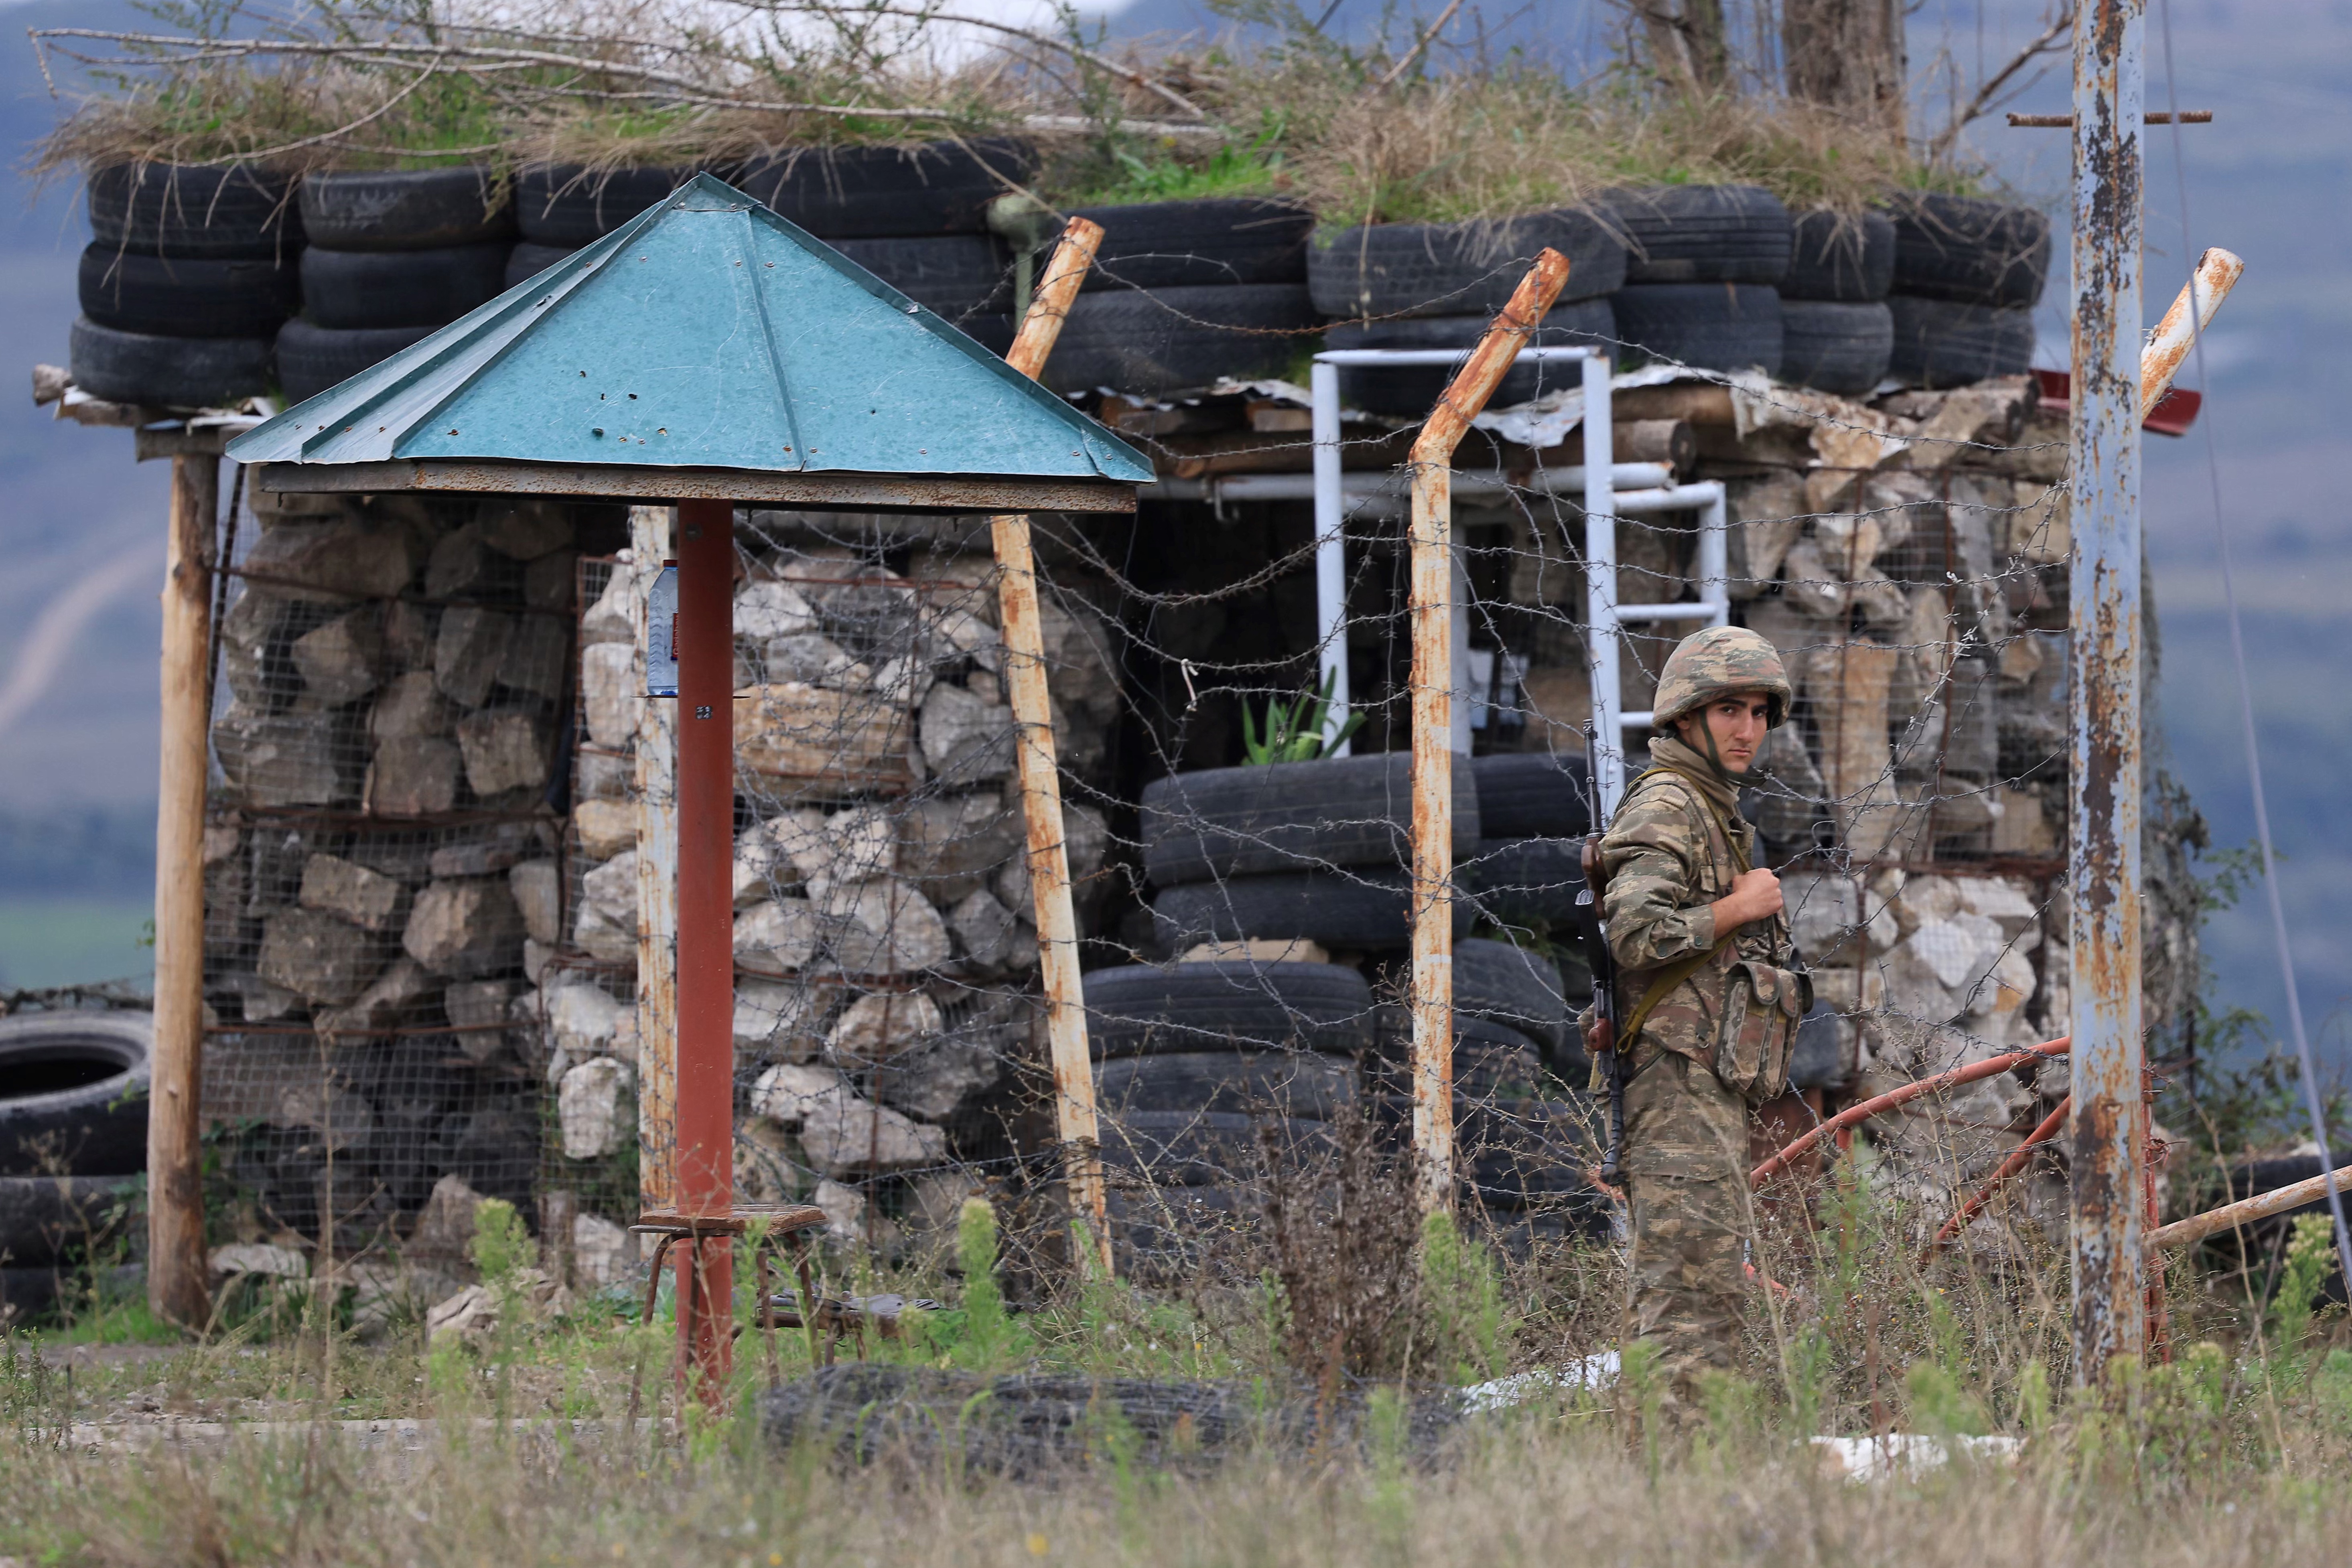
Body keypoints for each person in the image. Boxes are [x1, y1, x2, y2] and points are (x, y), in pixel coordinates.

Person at [1585, 624, 1808, 1419]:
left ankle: (1690, 1461)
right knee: (1685, 1299)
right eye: (1728, 710)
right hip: (1676, 1085)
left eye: (1759, 712)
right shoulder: (1670, 803)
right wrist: (1738, 908)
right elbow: (1635, 931)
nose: (1748, 729)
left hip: (1702, 1082)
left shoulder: (1710, 805)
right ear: (1686, 716)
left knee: (1707, 1291)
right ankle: (1669, 1462)